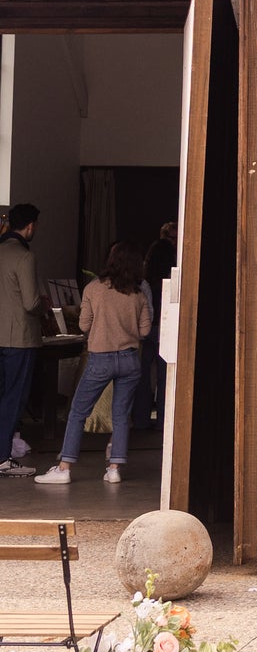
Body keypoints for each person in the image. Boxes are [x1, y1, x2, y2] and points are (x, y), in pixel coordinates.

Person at [36, 242, 151, 485]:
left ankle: (64, 468)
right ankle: (114, 469)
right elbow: (145, 330)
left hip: (101, 358)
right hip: (130, 359)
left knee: (78, 412)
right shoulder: (139, 294)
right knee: (121, 415)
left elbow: (84, 326)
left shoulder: (93, 288)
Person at [0, 204, 45, 476]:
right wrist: (45, 307)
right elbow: (30, 302)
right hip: (19, 337)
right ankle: (3, 457)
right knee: (13, 398)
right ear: (30, 226)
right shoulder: (24, 257)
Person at [142, 221, 177, 425]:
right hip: (162, 325)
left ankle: (141, 418)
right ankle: (163, 419)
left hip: (148, 326)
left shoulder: (145, 278)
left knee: (143, 375)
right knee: (164, 375)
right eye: (172, 238)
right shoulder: (172, 273)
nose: (174, 242)